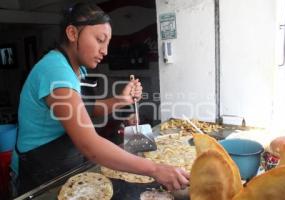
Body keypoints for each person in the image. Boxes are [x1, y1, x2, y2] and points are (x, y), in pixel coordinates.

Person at [10, 2, 189, 196]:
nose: (105, 50)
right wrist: (155, 169)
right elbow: (89, 144)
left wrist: (122, 99)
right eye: (99, 40)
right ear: (72, 34)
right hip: (41, 173)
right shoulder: (55, 70)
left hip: (67, 164)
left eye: (107, 43)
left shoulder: (77, 69)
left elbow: (84, 110)